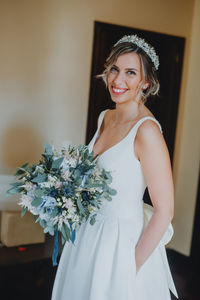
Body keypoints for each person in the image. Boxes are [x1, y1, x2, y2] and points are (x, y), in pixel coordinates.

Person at [51, 35, 178, 300]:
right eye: (114, 69)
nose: (118, 81)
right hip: (88, 235)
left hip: (120, 244)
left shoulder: (147, 132)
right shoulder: (105, 117)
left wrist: (129, 266)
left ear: (145, 82)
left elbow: (164, 211)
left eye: (130, 72)